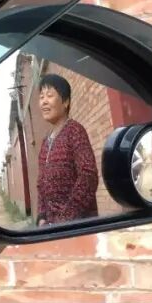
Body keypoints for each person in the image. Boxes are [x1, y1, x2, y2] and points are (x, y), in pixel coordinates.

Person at [35, 74, 99, 225]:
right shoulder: (45, 142)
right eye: (41, 97)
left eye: (50, 95)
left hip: (78, 226)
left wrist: (65, 219)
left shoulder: (75, 131)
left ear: (65, 102)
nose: (44, 101)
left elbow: (88, 176)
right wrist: (42, 216)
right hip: (52, 227)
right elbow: (41, 183)